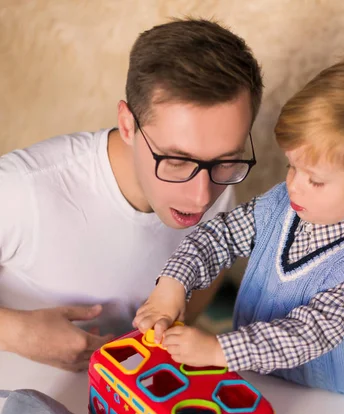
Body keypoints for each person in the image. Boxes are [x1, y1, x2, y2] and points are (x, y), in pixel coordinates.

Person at [134, 47, 344, 400]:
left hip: (326, 403)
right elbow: (220, 236)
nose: (294, 184)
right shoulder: (280, 204)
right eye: (293, 167)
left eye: (315, 179)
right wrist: (173, 283)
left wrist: (220, 352)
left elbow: (306, 333)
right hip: (251, 381)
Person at [0, 18, 263, 371]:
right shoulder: (23, 189)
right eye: (177, 161)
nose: (202, 197)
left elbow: (210, 268)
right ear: (127, 124)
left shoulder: (220, 187)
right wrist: (14, 333)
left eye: (225, 161)